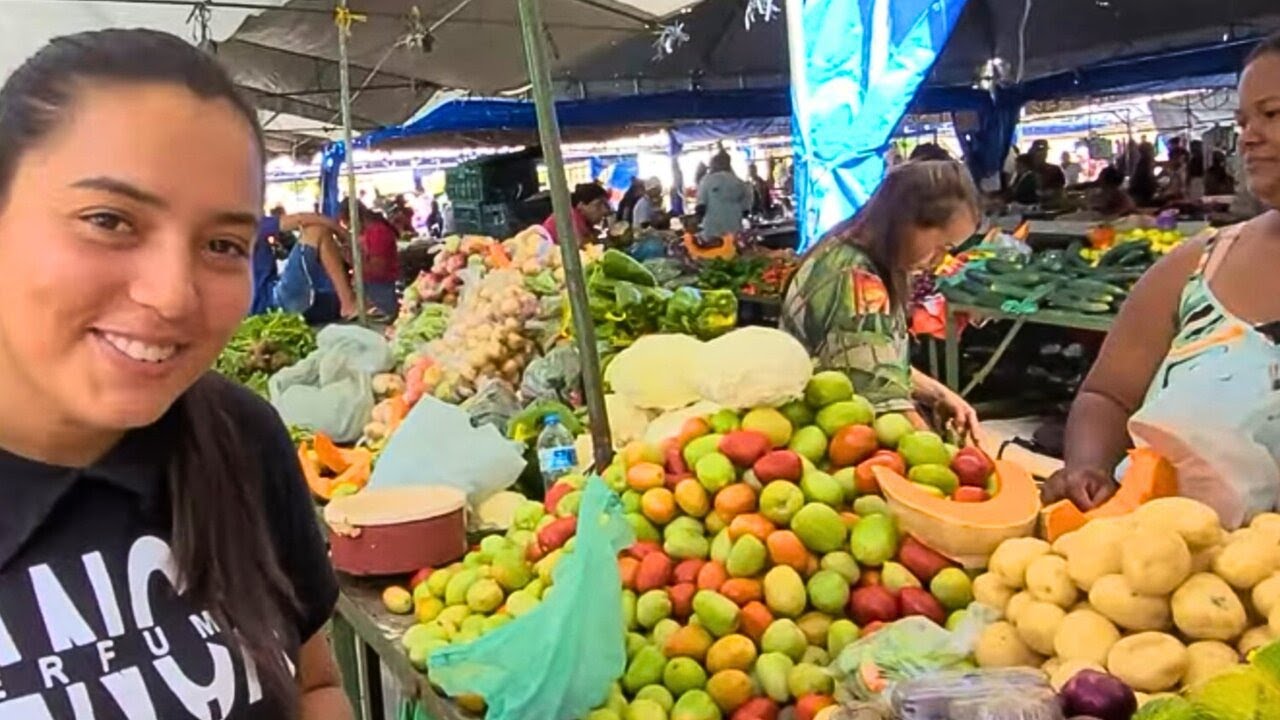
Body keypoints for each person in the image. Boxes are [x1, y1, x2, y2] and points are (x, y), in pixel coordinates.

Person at [0, 28, 350, 718]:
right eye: (109, 220)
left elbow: (315, 686)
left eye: (223, 244)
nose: (172, 296)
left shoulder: (239, 437)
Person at [1044, 33, 1280, 513]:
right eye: (1243, 121)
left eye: (1272, 114)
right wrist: (1088, 467)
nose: (1249, 136)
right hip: (1147, 549)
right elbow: (1107, 394)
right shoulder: (1198, 265)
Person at [781, 161, 983, 434]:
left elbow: (872, 361)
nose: (939, 260)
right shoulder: (856, 280)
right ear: (907, 222)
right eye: (942, 246)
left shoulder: (846, 249)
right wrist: (949, 454)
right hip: (832, 439)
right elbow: (882, 403)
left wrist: (938, 394)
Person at [253, 210, 357, 322]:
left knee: (334, 302)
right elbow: (301, 219)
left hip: (261, 308)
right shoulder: (249, 224)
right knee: (317, 231)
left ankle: (349, 302)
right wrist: (342, 232)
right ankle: (348, 304)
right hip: (272, 303)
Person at [337, 198, 401, 317]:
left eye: (348, 224)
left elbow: (378, 270)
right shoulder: (367, 232)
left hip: (380, 289)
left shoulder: (378, 233)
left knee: (382, 318)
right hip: (369, 286)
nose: (350, 228)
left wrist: (351, 259)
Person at [696, 150, 752, 239]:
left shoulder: (706, 180)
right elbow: (746, 207)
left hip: (713, 229)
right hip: (734, 227)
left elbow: (701, 206)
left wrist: (698, 219)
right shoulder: (739, 182)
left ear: (714, 164)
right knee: (733, 245)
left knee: (714, 246)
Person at [542, 182, 611, 244]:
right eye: (598, 205)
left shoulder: (585, 222)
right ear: (581, 205)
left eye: (605, 205)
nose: (605, 210)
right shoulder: (569, 217)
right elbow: (578, 246)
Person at [1128, 141, 1159, 206]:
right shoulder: (1145, 163)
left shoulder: (1143, 162)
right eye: (1152, 150)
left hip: (1140, 195)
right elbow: (1149, 181)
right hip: (1142, 197)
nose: (1153, 152)